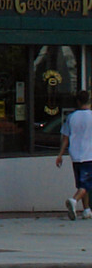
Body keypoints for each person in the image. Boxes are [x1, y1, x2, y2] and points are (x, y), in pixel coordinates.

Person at [55, 91, 92, 220]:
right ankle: (74, 200)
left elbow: (65, 138)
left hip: (75, 155)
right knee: (86, 184)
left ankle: (86, 210)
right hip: (89, 155)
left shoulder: (71, 117)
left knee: (81, 184)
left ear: (78, 102)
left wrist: (60, 155)